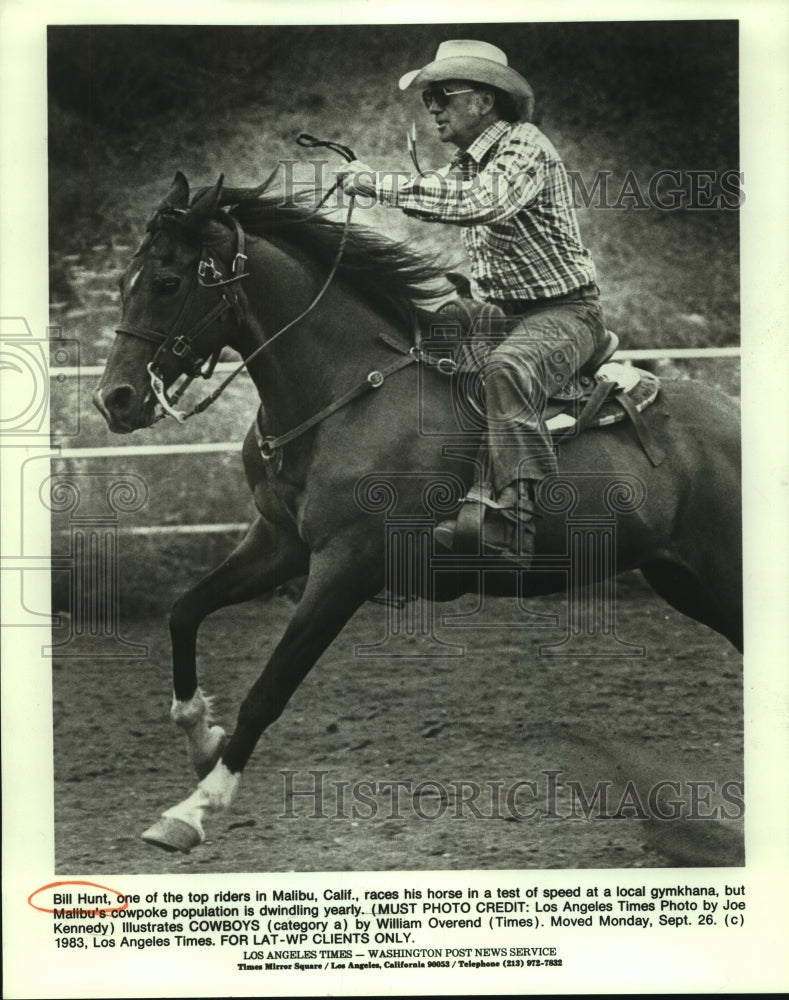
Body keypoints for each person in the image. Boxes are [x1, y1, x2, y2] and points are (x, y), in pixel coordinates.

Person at [339, 39, 607, 567]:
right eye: (427, 99)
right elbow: (432, 192)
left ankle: (517, 523)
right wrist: (372, 188)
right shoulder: (469, 163)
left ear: (484, 101)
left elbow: (480, 203)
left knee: (508, 370)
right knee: (418, 353)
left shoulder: (524, 147)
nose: (432, 107)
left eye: (441, 94)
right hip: (505, 312)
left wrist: (375, 184)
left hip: (567, 313)